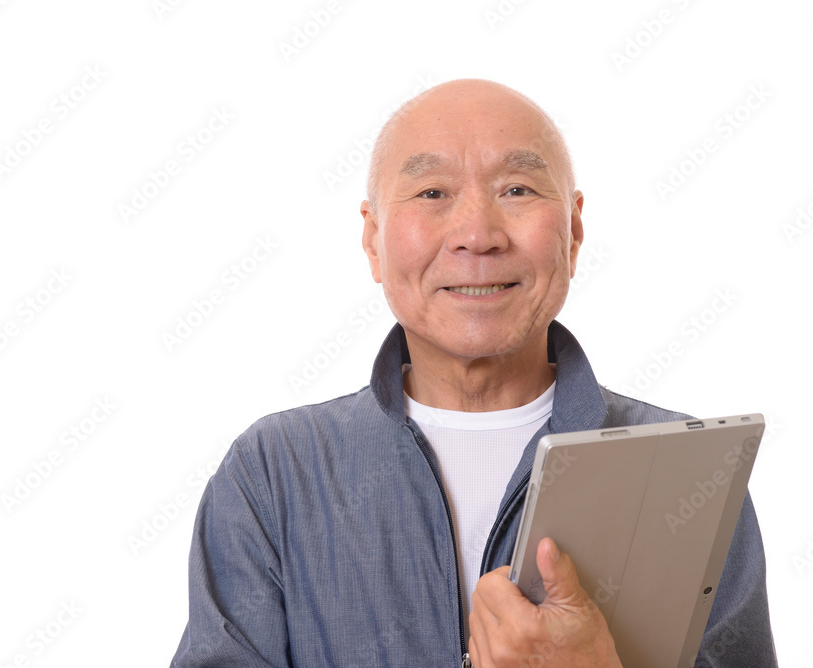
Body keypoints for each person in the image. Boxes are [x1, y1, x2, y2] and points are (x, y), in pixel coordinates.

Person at [170, 79, 777, 667]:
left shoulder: (688, 469)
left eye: (517, 189)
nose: (477, 236)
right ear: (373, 238)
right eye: (432, 192)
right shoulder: (274, 474)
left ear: (573, 230)